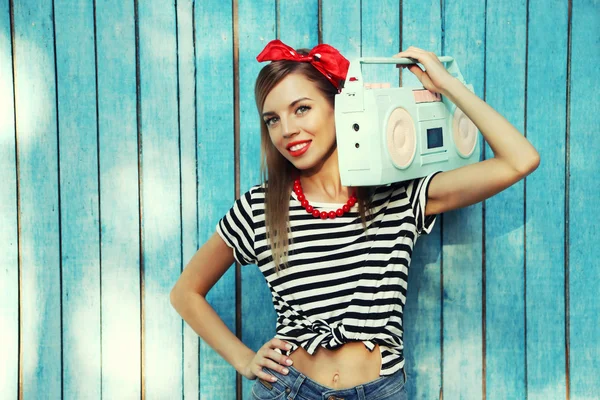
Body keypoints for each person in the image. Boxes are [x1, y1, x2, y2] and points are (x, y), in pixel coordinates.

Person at [170, 39, 540, 399]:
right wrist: (245, 359)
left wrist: (447, 85)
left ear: (340, 107)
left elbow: (519, 160)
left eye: (302, 109)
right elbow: (185, 292)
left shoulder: (400, 197)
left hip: (378, 390)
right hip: (288, 389)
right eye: (272, 119)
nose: (287, 130)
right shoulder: (260, 207)